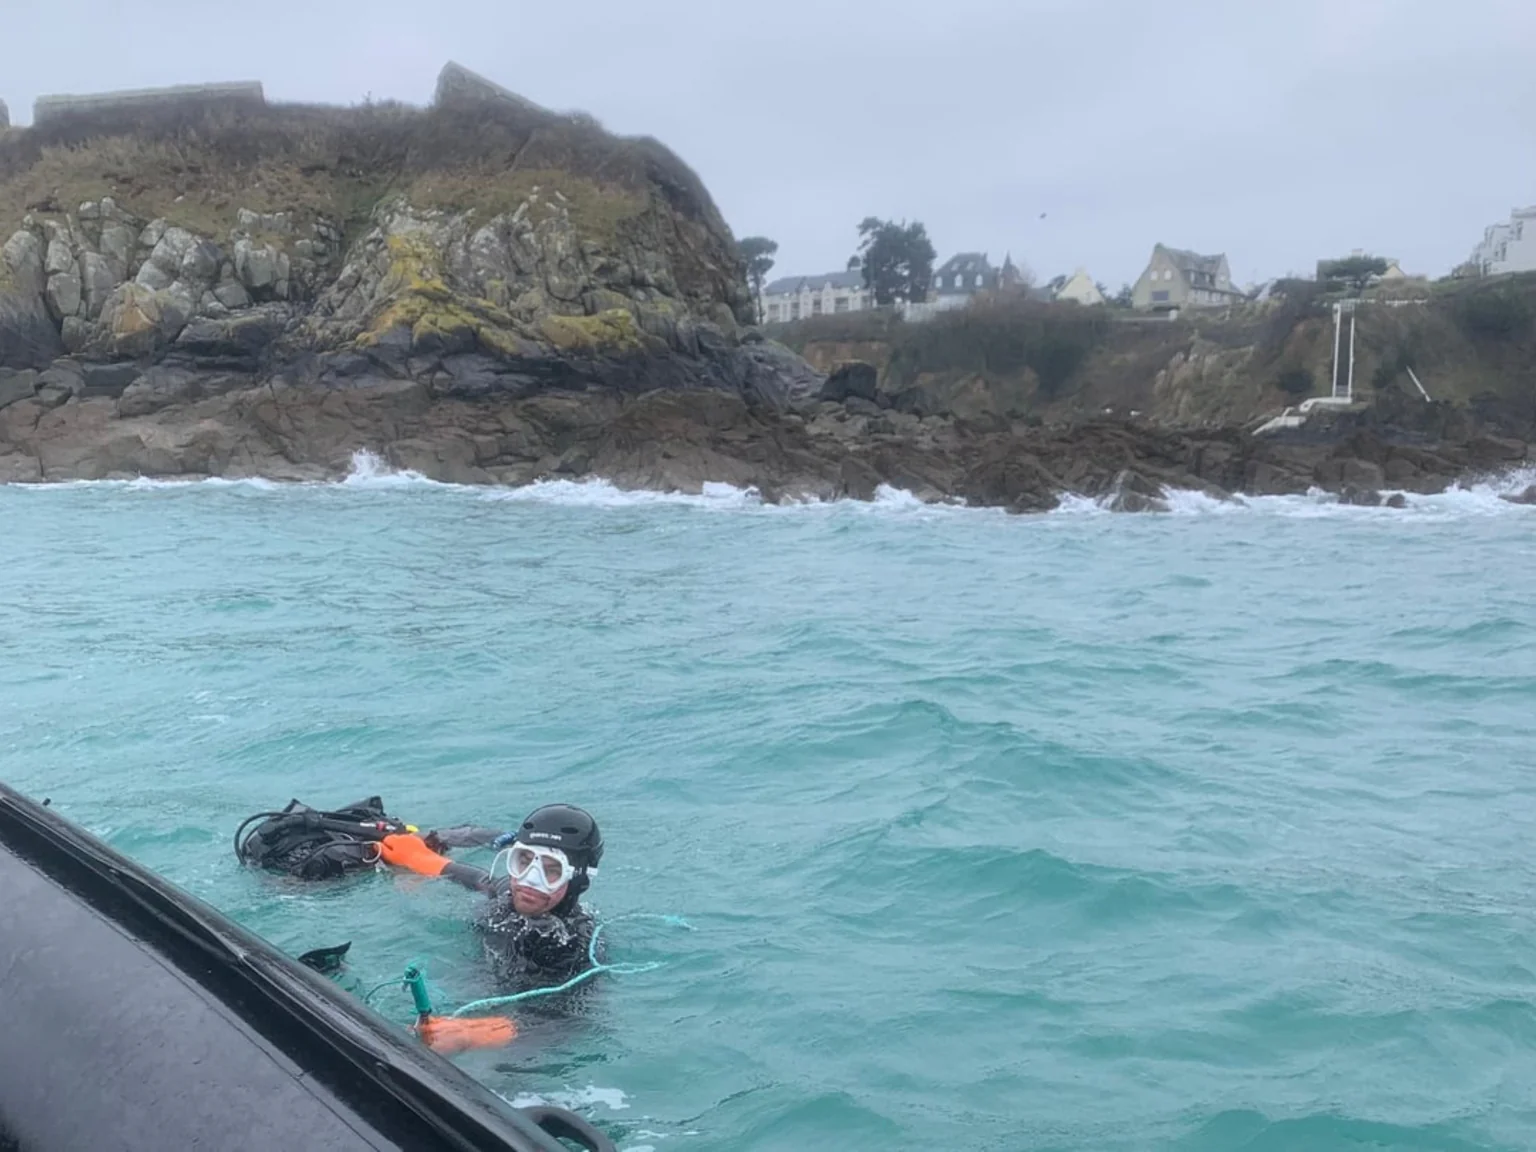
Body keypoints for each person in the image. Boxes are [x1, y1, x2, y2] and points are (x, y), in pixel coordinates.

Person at [375, 803, 604, 991]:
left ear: (578, 880)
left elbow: (556, 1022)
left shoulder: (573, 946)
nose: (529, 880)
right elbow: (481, 880)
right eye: (523, 861)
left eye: (551, 870)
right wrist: (420, 860)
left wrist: (472, 1034)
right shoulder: (512, 894)